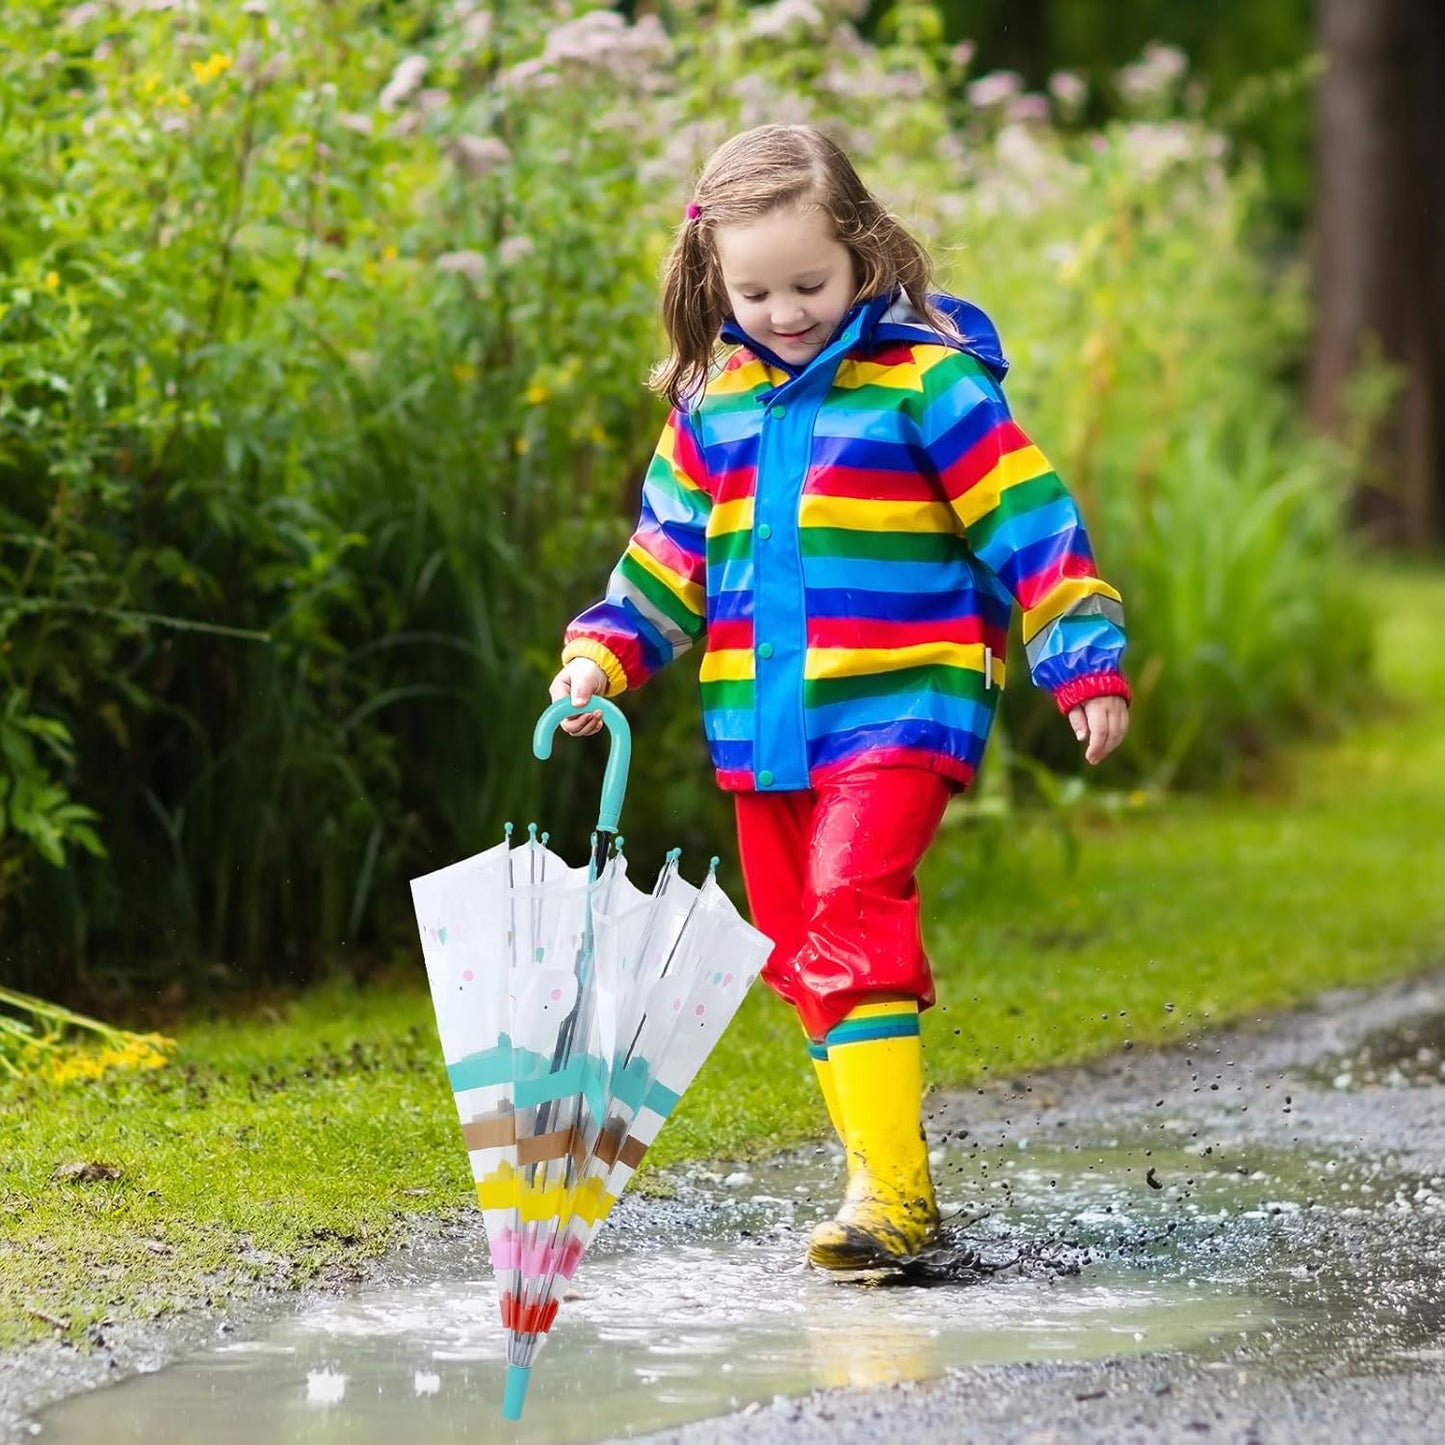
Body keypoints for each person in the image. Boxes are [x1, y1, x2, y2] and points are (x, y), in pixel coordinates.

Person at [548, 123, 1130, 1277]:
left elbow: (1029, 523)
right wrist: (600, 657)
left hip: (902, 708)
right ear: (715, 279)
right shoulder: (709, 404)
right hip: (763, 726)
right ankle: (887, 1177)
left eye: (808, 282)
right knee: (800, 944)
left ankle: (893, 1201)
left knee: (851, 900)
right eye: (754, 290)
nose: (784, 311)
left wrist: (1080, 654)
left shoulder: (929, 383)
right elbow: (665, 562)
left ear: (863, 252)